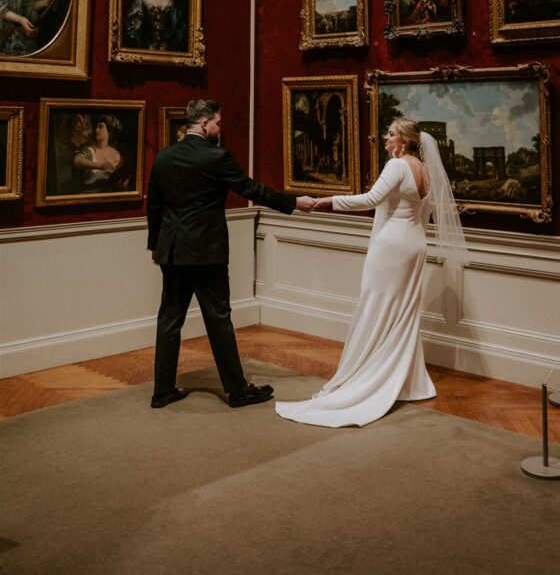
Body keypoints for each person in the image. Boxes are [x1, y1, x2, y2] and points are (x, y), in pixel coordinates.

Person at [276, 117, 466, 427]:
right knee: (403, 313)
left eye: (390, 135)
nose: (385, 139)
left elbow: (370, 200)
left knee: (375, 309)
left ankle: (364, 375)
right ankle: (407, 380)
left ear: (404, 140)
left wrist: (328, 202)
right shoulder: (426, 169)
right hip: (415, 243)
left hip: (391, 246)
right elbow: (423, 212)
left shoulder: (398, 165)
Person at [147, 98, 316, 410]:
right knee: (218, 318)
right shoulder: (216, 156)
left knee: (169, 319)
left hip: (171, 250)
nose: (219, 128)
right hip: (206, 252)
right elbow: (251, 189)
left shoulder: (164, 157)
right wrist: (294, 202)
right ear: (204, 123)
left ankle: (163, 390)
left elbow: (154, 204)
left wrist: (155, 243)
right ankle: (237, 390)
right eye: (218, 123)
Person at [73, 114, 127, 191]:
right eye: (96, 127)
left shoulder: (118, 155)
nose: (96, 130)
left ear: (109, 131)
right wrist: (100, 165)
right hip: (88, 194)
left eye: (100, 127)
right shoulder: (90, 149)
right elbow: (77, 161)